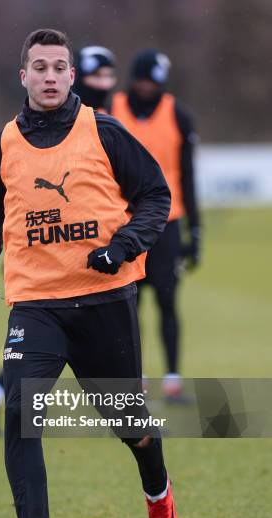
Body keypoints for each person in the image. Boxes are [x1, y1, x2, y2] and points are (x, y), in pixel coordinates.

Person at [0, 29, 177, 518]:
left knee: (131, 426)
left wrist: (121, 247)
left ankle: (158, 487)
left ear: (72, 76)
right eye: (39, 67)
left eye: (59, 67)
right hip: (36, 308)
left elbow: (156, 197)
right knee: (22, 418)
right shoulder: (0, 146)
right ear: (22, 76)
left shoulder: (104, 131)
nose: (49, 77)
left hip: (104, 301)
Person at [0, 44, 118, 437]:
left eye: (108, 75)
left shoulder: (102, 122)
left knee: (46, 347)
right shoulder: (80, 124)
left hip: (115, 245)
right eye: (97, 75)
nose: (105, 82)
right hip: (71, 259)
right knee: (49, 342)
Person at [111, 49, 201, 401]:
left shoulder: (178, 114)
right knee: (127, 306)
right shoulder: (109, 110)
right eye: (144, 80)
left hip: (168, 223)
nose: (149, 87)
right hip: (123, 223)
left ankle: (174, 379)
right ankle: (137, 380)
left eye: (156, 82)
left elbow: (189, 177)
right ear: (133, 79)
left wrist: (196, 231)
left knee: (167, 299)